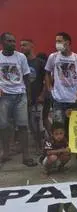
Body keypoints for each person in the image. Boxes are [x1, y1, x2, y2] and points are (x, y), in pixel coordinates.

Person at [0, 32, 37, 166]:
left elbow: (27, 77)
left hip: (20, 95)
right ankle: (5, 153)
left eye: (14, 41)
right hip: (4, 97)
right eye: (9, 41)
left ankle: (26, 156)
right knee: (3, 126)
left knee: (23, 126)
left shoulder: (20, 57)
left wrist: (29, 96)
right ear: (2, 42)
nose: (13, 44)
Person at [45, 32, 77, 133]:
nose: (57, 44)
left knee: (74, 129)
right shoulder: (53, 57)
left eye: (59, 41)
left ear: (67, 42)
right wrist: (49, 88)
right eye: (56, 41)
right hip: (58, 100)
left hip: (74, 100)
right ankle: (61, 147)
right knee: (59, 128)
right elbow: (47, 72)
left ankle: (72, 148)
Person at [20, 39, 47, 152]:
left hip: (38, 98)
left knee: (38, 123)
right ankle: (36, 144)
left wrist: (42, 95)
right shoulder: (21, 62)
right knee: (29, 124)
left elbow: (47, 80)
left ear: (32, 46)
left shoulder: (40, 62)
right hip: (24, 97)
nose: (21, 47)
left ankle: (41, 145)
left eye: (24, 45)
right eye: (20, 45)